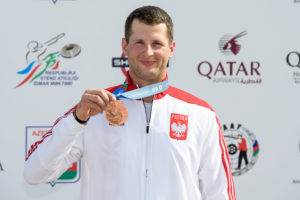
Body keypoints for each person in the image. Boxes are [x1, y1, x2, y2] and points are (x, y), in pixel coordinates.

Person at [24, 5, 236, 200]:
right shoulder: (94, 109)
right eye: (139, 43)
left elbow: (220, 193)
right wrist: (77, 120)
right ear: (125, 46)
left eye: (157, 44)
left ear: (171, 49)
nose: (148, 52)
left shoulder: (200, 114)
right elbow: (34, 174)